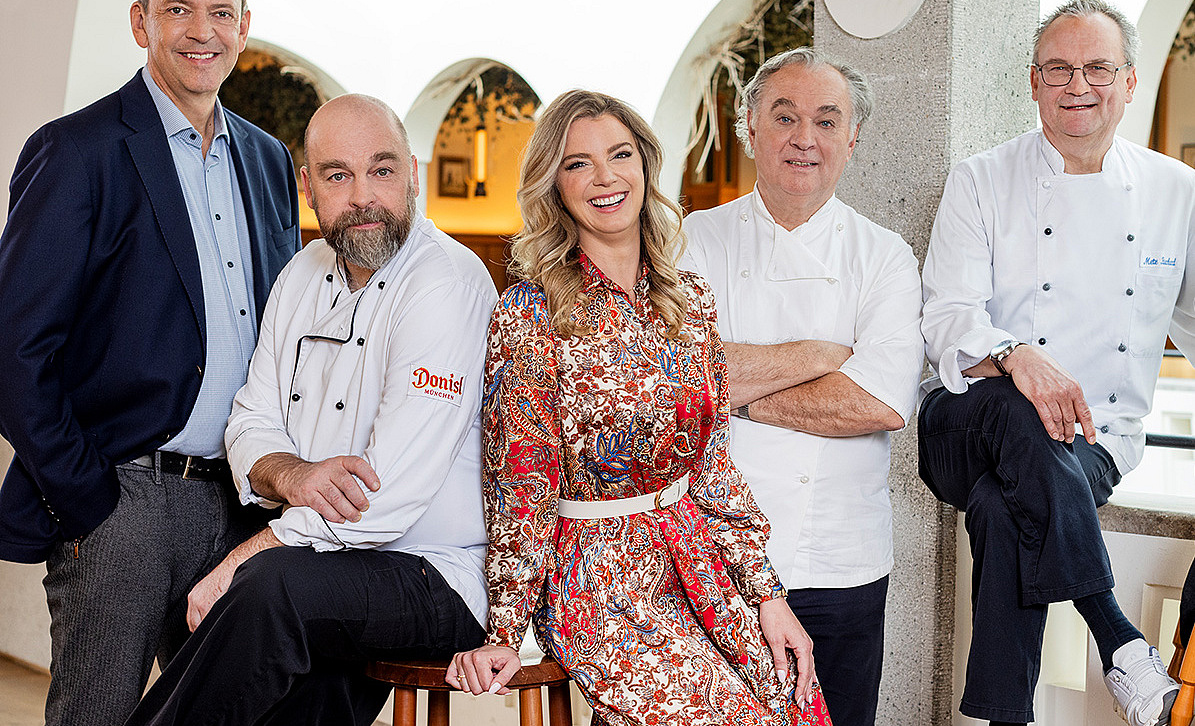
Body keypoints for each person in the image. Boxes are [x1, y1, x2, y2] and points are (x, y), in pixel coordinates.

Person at [447, 89, 832, 726]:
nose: (604, 178)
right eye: (578, 163)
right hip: (597, 576)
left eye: (620, 155)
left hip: (698, 557)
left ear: (646, 167)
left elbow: (711, 464)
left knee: (795, 705)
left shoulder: (689, 301)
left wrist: (767, 595)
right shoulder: (530, 314)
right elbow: (520, 484)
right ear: (554, 184)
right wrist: (505, 632)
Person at [0, 0, 299, 724]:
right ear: (141, 21)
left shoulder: (268, 161)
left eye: (220, 13)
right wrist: (88, 496)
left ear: (244, 26)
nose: (202, 31)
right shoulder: (77, 150)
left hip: (241, 502)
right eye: (178, 10)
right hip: (121, 497)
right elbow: (15, 348)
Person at [125, 94, 495, 725]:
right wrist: (293, 477)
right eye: (338, 175)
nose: (363, 197)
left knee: (266, 591)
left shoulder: (444, 283)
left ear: (413, 173)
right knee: (292, 680)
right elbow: (249, 420)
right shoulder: (301, 276)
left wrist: (249, 557)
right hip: (332, 563)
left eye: (382, 170)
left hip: (436, 573)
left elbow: (388, 493)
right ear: (308, 186)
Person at [920, 0, 1195, 726]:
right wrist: (1015, 356)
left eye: (1097, 67)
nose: (1078, 84)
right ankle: (1120, 643)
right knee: (1019, 411)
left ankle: (1001, 718)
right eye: (1058, 69)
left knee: (1002, 510)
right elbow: (945, 318)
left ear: (1130, 81)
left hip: (1092, 441)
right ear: (1032, 81)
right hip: (963, 421)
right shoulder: (980, 178)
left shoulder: (1174, 191)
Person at [681, 47, 923, 726]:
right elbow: (674, 378)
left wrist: (740, 392)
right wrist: (821, 355)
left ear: (852, 138)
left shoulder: (884, 255)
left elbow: (876, 403)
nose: (803, 138)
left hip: (840, 558)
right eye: (783, 116)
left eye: (825, 119)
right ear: (750, 126)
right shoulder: (694, 241)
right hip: (713, 557)